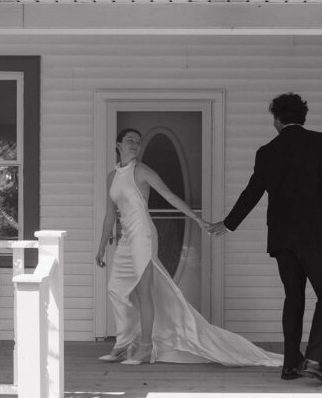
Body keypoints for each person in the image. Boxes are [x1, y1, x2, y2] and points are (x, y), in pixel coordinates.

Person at [95, 128, 283, 368]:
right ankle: (123, 343)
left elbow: (171, 196)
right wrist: (101, 246)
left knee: (143, 291)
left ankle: (144, 348)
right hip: (125, 238)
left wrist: (197, 219)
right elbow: (110, 213)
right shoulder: (112, 177)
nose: (135, 145)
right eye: (130, 140)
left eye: (138, 142)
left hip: (143, 234)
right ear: (118, 144)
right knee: (116, 289)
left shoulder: (141, 171)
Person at [210, 93, 322, 385]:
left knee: (294, 297)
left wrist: (229, 224)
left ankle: (290, 364)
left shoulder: (267, 151)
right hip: (316, 234)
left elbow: (252, 192)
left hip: (282, 238)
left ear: (277, 119)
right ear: (303, 117)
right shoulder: (320, 142)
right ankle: (315, 360)